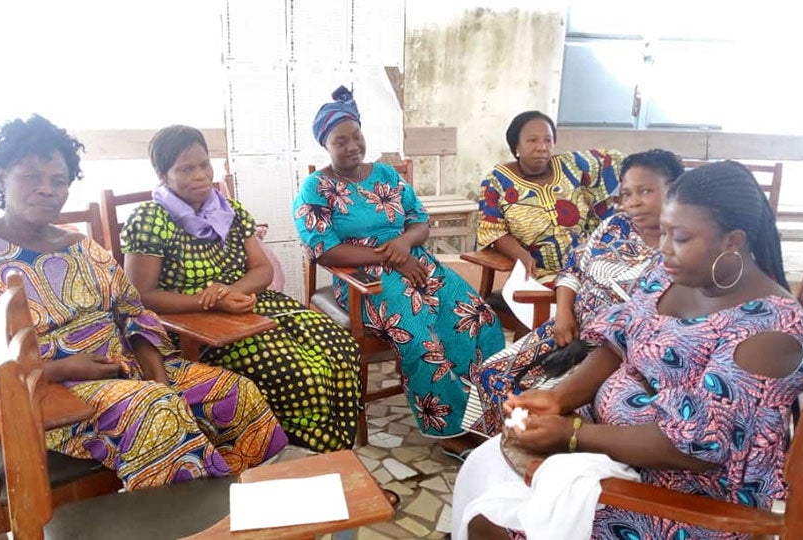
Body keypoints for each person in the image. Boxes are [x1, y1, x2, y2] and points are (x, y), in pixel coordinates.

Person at [0, 115, 287, 491]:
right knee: (153, 412)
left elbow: (133, 311)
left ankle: (242, 507)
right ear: (1, 178)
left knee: (236, 393)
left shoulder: (80, 246)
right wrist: (58, 369)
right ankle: (191, 525)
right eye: (31, 177)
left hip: (128, 370)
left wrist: (157, 376)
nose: (46, 189)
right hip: (45, 393)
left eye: (58, 180)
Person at [452, 160, 803, 539]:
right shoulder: (672, 272)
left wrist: (572, 434)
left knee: (491, 524)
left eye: (682, 238)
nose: (665, 249)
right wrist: (558, 398)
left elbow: (693, 448)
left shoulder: (768, 329)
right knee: (486, 467)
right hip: (619, 453)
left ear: (733, 241)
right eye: (664, 233)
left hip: (686, 499)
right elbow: (620, 342)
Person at [292, 86, 505, 458]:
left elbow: (420, 221)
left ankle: (485, 412)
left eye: (356, 135)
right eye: (340, 141)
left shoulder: (387, 175)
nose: (352, 145)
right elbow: (323, 250)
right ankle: (448, 429)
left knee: (481, 318)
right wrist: (391, 257)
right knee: (420, 335)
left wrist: (405, 245)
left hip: (415, 261)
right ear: (325, 145)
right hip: (362, 279)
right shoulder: (316, 188)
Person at [122, 125, 361, 452]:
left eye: (204, 164)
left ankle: (336, 455)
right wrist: (209, 301)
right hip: (195, 326)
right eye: (186, 169)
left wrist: (231, 291)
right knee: (299, 375)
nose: (200, 175)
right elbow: (139, 295)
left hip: (250, 306)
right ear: (163, 175)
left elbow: (261, 270)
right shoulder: (149, 219)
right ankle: (302, 458)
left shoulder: (229, 210)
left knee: (340, 348)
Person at [463, 149, 685, 436]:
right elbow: (572, 269)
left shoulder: (680, 251)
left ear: (675, 189)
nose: (634, 203)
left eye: (645, 191)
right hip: (567, 329)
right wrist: (563, 314)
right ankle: (497, 447)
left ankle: (534, 455)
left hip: (612, 353)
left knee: (549, 401)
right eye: (627, 194)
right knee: (493, 373)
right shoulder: (615, 226)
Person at [477, 111, 625, 279]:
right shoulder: (496, 181)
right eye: (532, 140)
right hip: (538, 273)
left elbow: (619, 162)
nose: (542, 147)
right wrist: (520, 254)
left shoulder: (573, 166)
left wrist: (626, 194)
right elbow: (492, 230)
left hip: (587, 266)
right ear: (516, 146)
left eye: (548, 140)